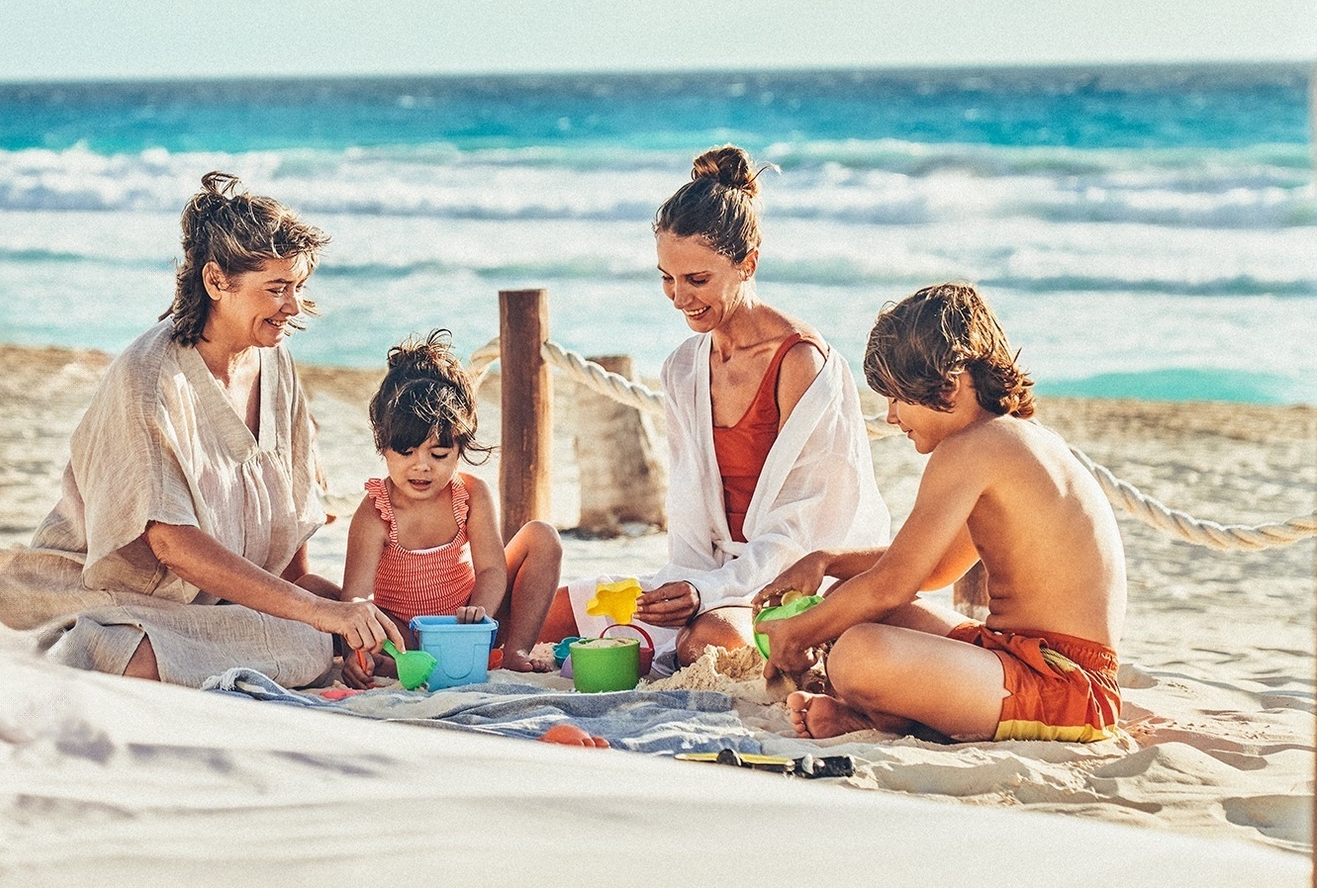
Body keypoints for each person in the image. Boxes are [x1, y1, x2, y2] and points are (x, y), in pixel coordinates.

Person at [0, 172, 403, 687]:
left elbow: (290, 567)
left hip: (218, 612)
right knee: (137, 655)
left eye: (298, 288)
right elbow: (169, 544)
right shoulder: (149, 377)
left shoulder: (277, 367)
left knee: (312, 636)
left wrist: (356, 623)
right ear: (216, 281)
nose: (294, 307)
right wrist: (319, 618)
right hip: (105, 608)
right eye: (276, 289)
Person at [542, 144, 888, 668]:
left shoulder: (802, 364)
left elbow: (807, 528)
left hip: (791, 582)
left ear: (748, 263)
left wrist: (708, 593)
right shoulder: (683, 367)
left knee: (707, 643)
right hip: (707, 576)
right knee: (546, 615)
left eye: (697, 279)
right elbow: (687, 518)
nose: (680, 298)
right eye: (667, 277)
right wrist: (682, 588)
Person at [753, 283, 1127, 743]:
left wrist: (795, 635)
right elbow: (933, 571)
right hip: (1022, 657)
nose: (891, 416)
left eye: (897, 398)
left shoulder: (971, 450)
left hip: (1064, 685)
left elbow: (893, 584)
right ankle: (878, 718)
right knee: (848, 598)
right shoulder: (1007, 439)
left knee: (857, 653)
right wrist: (828, 561)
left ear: (950, 382)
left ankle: (883, 716)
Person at [338, 330, 562, 686]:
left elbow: (491, 569)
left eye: (439, 455)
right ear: (383, 447)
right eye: (406, 453)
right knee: (324, 594)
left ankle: (516, 652)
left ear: (460, 448)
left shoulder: (470, 494)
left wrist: (477, 617)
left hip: (471, 622)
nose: (422, 467)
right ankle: (393, 664)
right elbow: (357, 598)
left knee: (542, 537)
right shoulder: (376, 511)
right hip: (406, 634)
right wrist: (356, 653)